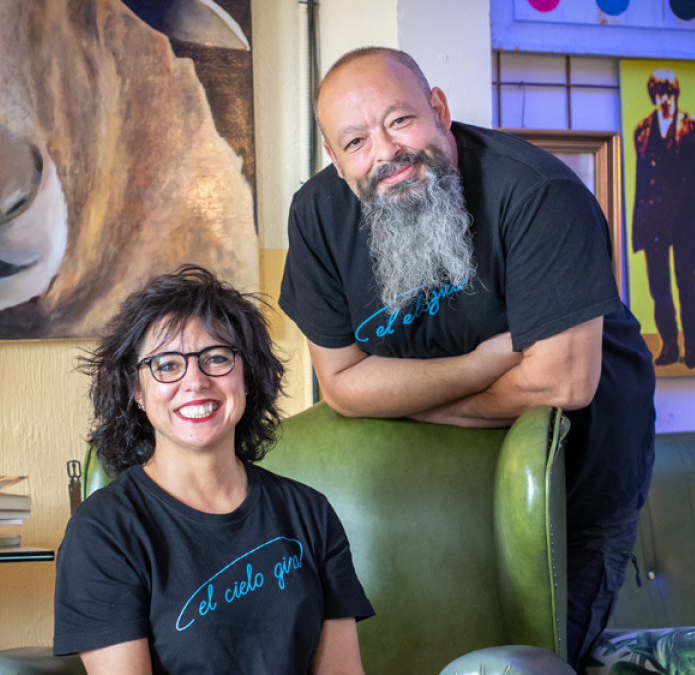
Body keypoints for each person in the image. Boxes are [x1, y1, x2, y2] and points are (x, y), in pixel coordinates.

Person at [279, 47, 655, 670]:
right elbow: (343, 385)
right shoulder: (317, 217)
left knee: (538, 659)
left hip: (576, 474)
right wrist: (488, 362)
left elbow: (562, 382)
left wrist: (399, 399)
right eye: (356, 141)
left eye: (399, 121)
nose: (386, 153)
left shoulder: (539, 191)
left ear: (440, 110)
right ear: (335, 160)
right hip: (433, 485)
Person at [54, 265, 373, 674]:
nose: (195, 381)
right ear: (137, 390)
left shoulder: (309, 514)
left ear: (247, 376)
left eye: (216, 358)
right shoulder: (103, 531)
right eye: (167, 365)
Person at [632, 67, 695, 368]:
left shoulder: (692, 126)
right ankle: (670, 344)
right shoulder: (642, 129)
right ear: (654, 95)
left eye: (668, 92)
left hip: (685, 221)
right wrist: (639, 224)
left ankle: (692, 345)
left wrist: (687, 207)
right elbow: (641, 180)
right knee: (658, 287)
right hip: (653, 222)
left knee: (686, 284)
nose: (664, 99)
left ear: (675, 93)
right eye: (659, 93)